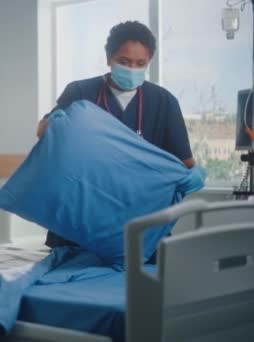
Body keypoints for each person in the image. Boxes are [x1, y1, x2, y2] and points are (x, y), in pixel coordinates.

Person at [37, 21, 196, 261]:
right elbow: (43, 131)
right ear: (109, 58)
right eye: (124, 62)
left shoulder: (164, 102)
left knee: (142, 292)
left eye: (140, 64)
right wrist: (54, 122)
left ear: (148, 62)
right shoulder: (81, 92)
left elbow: (185, 162)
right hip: (80, 220)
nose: (132, 69)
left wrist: (191, 176)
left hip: (139, 222)